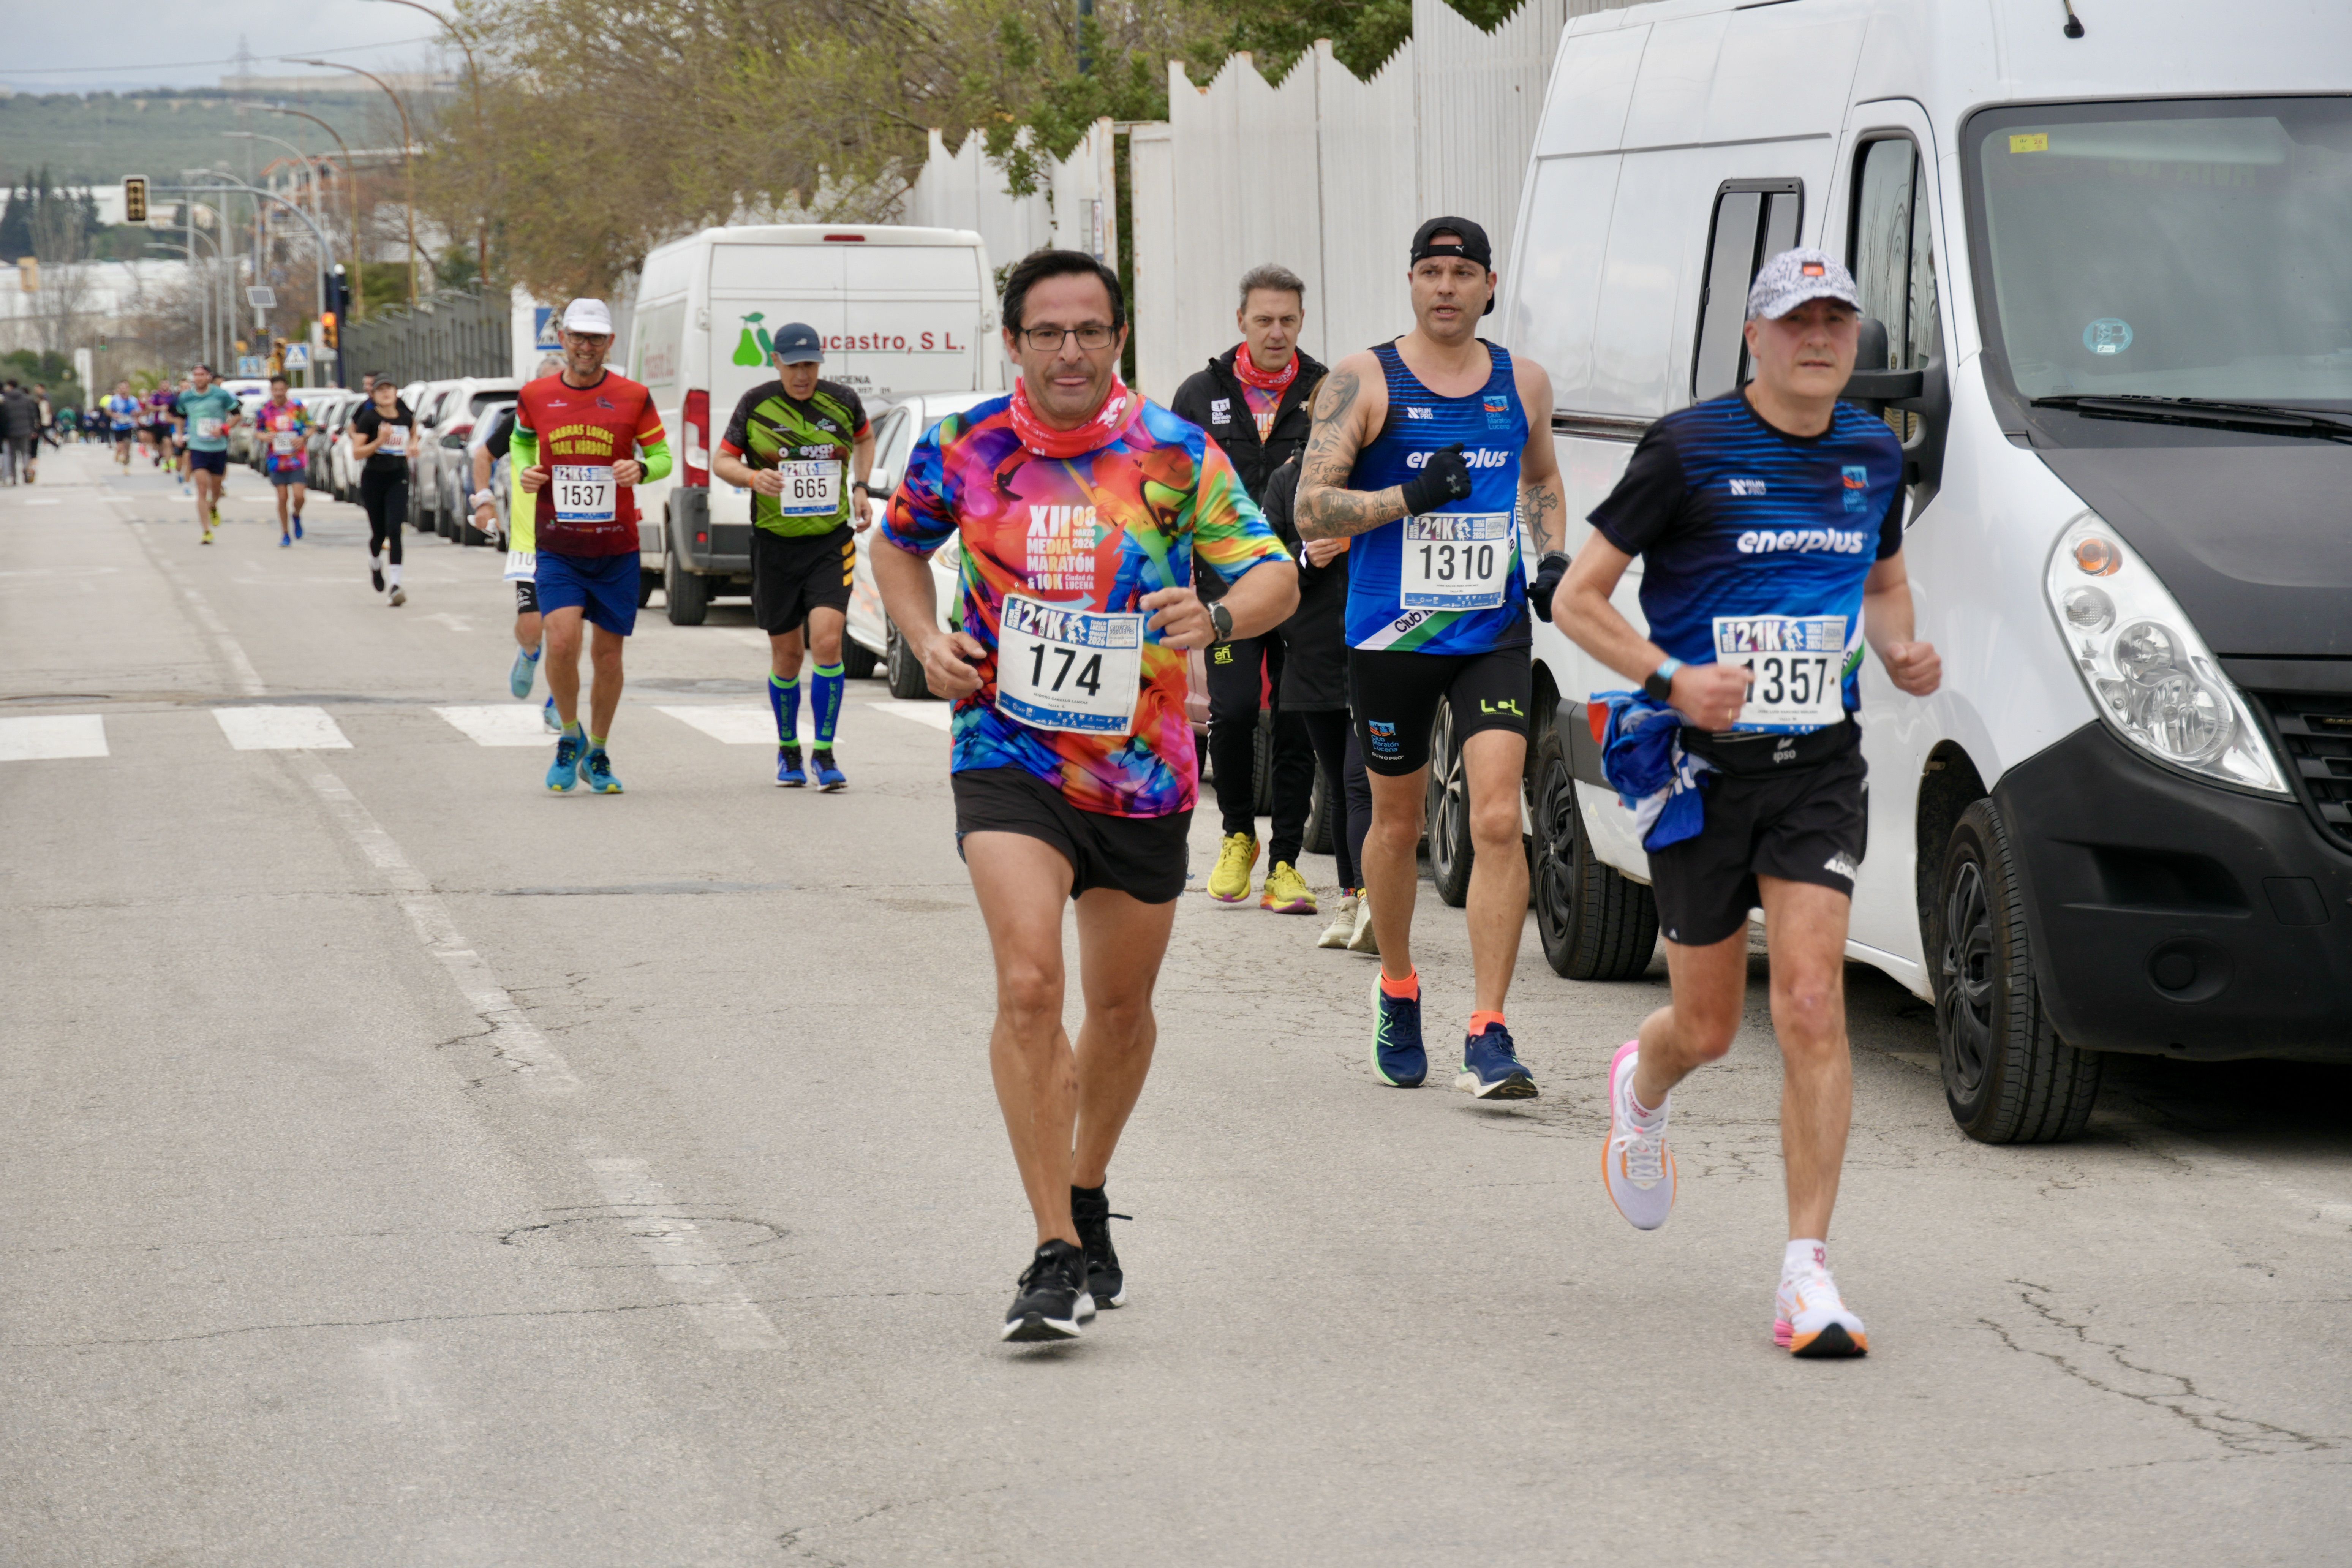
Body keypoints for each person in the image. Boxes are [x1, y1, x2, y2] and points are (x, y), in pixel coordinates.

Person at [871, 248, 1297, 1342]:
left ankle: (1090, 1184)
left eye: (1090, 331)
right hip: (1007, 754)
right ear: (1012, 341)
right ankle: (1053, 1249)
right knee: (1027, 987)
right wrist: (925, 638)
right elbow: (896, 547)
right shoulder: (966, 447)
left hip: (1143, 772)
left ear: (1119, 339)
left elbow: (1274, 571)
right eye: (1048, 332)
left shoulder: (1174, 450)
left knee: (1118, 1013)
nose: (1070, 351)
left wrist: (1223, 617)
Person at [1549, 248, 1944, 1358]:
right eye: (1796, 320)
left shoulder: (1875, 453)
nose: (1819, 338)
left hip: (1818, 766)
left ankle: (1805, 1274)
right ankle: (1645, 1081)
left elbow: (1883, 579)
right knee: (1711, 1025)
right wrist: (1671, 682)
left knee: (1814, 1002)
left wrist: (1902, 647)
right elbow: (1579, 599)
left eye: (1837, 321)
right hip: (1700, 773)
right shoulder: (1687, 448)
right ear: (1754, 339)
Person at [1295, 216, 1569, 1099]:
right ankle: (1399, 984)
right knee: (1397, 827)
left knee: (1496, 818)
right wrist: (1408, 495)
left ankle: (1488, 1030)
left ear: (1489, 285)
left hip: (1488, 632)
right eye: (1430, 272)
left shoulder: (1522, 381)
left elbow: (1540, 478)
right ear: (1410, 284)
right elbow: (1311, 511)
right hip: (1390, 635)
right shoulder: (1360, 380)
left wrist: (1550, 555)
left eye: (1462, 272)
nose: (1445, 287)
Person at [1171, 264, 1328, 915]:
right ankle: (1238, 834)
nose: (1276, 332)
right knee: (1233, 714)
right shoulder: (1198, 393)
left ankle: (1286, 862)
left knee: (1296, 722)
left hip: (1308, 588)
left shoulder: (1329, 389)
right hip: (1227, 591)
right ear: (1241, 320)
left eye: (1288, 319)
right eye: (1263, 319)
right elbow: (1169, 487)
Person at [511, 298, 672, 794]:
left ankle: (598, 749)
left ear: (610, 343)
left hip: (616, 548)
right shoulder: (535, 395)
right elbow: (520, 444)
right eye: (578, 337)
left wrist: (641, 469)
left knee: (607, 656)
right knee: (560, 640)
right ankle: (569, 736)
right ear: (563, 340)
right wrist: (528, 474)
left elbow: (663, 455)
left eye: (596, 338)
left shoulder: (633, 396)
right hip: (559, 544)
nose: (586, 347)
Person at [711, 322, 877, 791]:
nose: (802, 374)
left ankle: (824, 753)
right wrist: (750, 478)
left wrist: (860, 487)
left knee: (826, 642)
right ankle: (789, 751)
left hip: (830, 541)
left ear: (819, 363)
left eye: (810, 365)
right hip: (774, 545)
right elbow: (722, 462)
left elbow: (864, 439)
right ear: (777, 362)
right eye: (793, 365)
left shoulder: (842, 401)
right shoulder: (756, 403)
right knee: (786, 654)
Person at [1259, 453, 1375, 952]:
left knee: (1359, 780)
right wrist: (1306, 557)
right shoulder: (1287, 481)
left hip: (1374, 650)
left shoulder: (1380, 476)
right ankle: (1350, 901)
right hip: (1312, 657)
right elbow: (1261, 562)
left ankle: (1374, 898)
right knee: (1340, 786)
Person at [473, 381, 562, 733]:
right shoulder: (519, 418)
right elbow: (483, 456)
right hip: (528, 542)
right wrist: (485, 499)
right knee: (532, 627)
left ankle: (558, 702)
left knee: (562, 631)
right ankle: (528, 653)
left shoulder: (582, 418)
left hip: (569, 542)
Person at [349, 374, 414, 604]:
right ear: (374, 396)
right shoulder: (369, 419)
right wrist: (380, 441)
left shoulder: (406, 417)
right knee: (379, 533)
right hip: (374, 478)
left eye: (390, 388)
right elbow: (357, 453)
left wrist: (414, 446)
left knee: (395, 529)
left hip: (399, 476)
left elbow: (414, 433)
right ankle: (375, 563)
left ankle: (396, 586)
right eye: (381, 390)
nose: (386, 393)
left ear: (396, 393)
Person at [174, 365, 240, 542]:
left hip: (218, 448)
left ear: (209, 377)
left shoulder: (221, 395)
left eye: (202, 375)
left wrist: (225, 428)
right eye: (196, 375)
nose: (199, 378)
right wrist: (180, 435)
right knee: (202, 488)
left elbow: (237, 415)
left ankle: (213, 506)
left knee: (216, 489)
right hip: (198, 447)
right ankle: (206, 531)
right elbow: (180, 417)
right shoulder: (186, 397)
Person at [254, 375, 309, 545]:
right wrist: (265, 437)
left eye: (281, 389)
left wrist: (303, 438)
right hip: (276, 460)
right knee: (283, 497)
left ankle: (297, 515)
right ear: (271, 391)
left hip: (296, 459)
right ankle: (285, 533)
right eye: (275, 390)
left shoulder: (297, 407)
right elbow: (258, 431)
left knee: (299, 496)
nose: (279, 393)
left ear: (287, 390)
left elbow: (312, 426)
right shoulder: (265, 409)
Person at [0, 380, 35, 485]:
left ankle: (14, 479)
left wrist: (4, 433)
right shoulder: (27, 400)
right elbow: (32, 416)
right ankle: (25, 469)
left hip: (11, 432)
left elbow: (4, 418)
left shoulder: (6, 401)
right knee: (25, 452)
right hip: (25, 430)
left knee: (12, 455)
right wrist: (32, 429)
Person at [104, 382, 139, 471]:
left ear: (129, 389)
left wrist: (135, 413)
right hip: (117, 426)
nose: (124, 390)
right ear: (119, 389)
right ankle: (119, 452)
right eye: (122, 388)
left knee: (127, 443)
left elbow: (139, 411)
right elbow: (107, 411)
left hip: (128, 425)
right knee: (120, 447)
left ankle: (126, 461)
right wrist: (114, 415)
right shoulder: (115, 400)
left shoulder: (133, 400)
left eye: (125, 388)